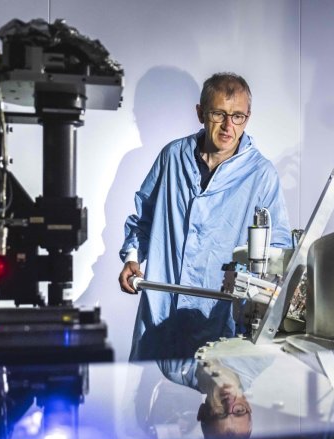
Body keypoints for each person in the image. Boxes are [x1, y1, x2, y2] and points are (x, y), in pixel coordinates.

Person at [119, 72, 292, 361]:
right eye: (218, 114)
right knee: (152, 399)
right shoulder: (172, 156)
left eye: (237, 116)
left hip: (220, 319)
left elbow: (278, 247)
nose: (228, 126)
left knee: (212, 395)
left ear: (247, 118)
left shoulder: (261, 174)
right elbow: (144, 219)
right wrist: (132, 258)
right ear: (200, 113)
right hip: (163, 309)